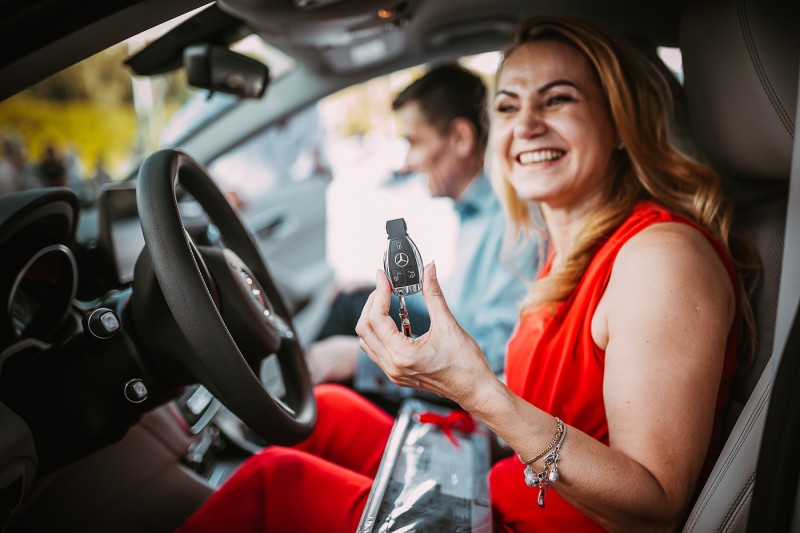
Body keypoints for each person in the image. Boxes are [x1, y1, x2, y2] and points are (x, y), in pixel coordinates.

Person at [177, 14, 755, 532]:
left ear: (621, 123)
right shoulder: (565, 250)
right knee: (327, 409)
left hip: (522, 519)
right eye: (507, 106)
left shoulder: (661, 258)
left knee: (274, 483)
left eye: (557, 99)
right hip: (495, 481)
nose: (526, 124)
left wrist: (474, 389)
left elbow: (655, 506)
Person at [306, 63, 539, 393]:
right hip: (459, 351)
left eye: (414, 142)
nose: (407, 162)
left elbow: (493, 356)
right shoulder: (474, 214)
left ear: (461, 138)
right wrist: (385, 293)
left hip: (469, 392)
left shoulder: (510, 223)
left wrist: (361, 361)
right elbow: (457, 312)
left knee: (349, 324)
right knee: (357, 301)